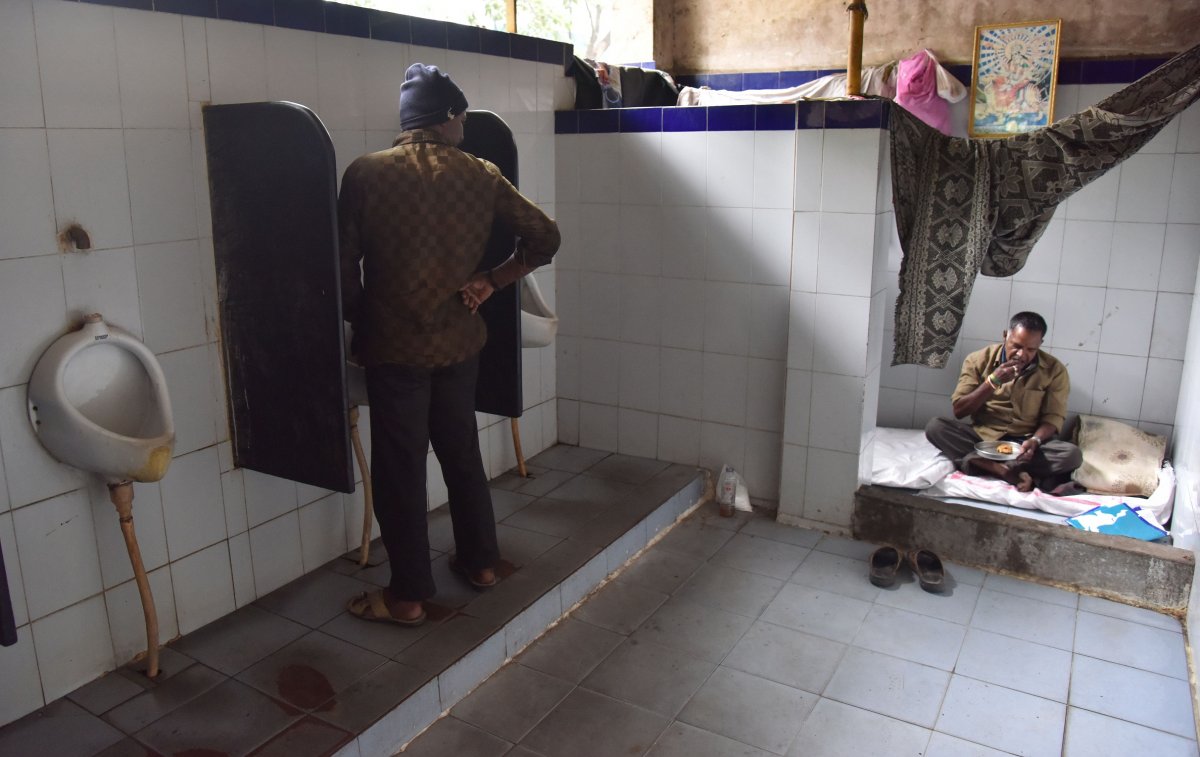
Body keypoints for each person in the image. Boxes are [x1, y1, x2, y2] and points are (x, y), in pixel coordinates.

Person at [339, 63, 560, 626]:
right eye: (461, 114)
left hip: (395, 352)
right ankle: (482, 563)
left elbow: (342, 268)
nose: (464, 123)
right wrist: (495, 279)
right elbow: (544, 236)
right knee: (461, 453)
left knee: (400, 468)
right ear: (446, 119)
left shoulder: (365, 174)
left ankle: (409, 595)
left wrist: (364, 324)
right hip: (460, 342)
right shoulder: (479, 174)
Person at [925, 311, 1082, 493]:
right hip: (984, 440)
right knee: (935, 427)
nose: (1022, 354)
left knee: (1071, 455)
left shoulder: (1055, 370)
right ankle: (1003, 470)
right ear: (1005, 335)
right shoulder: (977, 360)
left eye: (1031, 349)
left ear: (1040, 344)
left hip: (1025, 444)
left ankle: (986, 464)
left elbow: (1053, 417)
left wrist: (1035, 440)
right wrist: (992, 382)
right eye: (1016, 346)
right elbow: (960, 410)